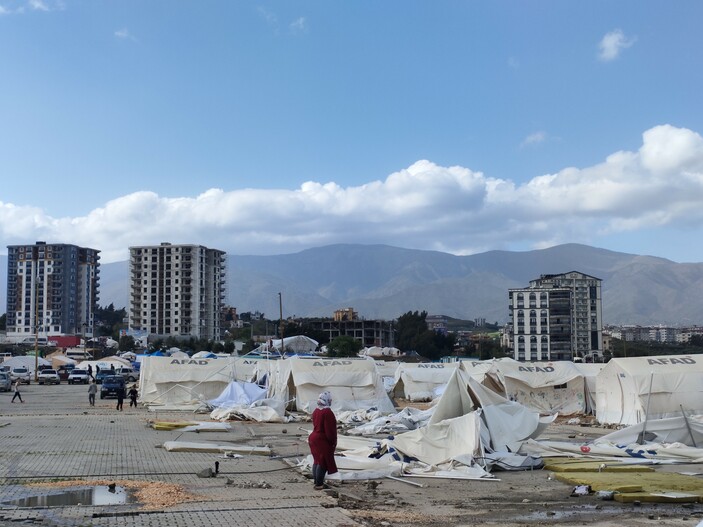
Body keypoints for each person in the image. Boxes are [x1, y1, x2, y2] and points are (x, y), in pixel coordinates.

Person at [307, 391, 337, 490]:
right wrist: (332, 442)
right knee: (323, 462)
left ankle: (316, 481)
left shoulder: (316, 411)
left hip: (313, 437)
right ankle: (319, 484)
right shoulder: (327, 412)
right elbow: (329, 430)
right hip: (321, 439)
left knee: (317, 460)